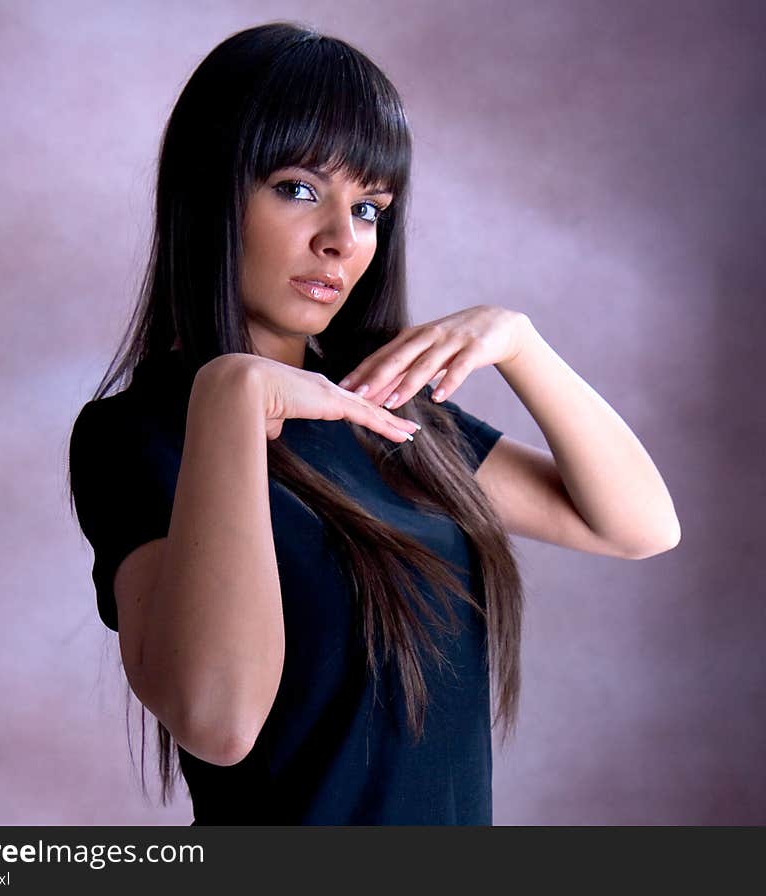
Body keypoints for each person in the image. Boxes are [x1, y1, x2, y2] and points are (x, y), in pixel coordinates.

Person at [67, 21, 681, 825]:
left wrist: (523, 344)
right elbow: (217, 721)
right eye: (297, 189)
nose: (339, 241)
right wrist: (229, 395)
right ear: (213, 189)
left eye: (368, 207)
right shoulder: (139, 435)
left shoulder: (384, 408)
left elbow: (640, 526)